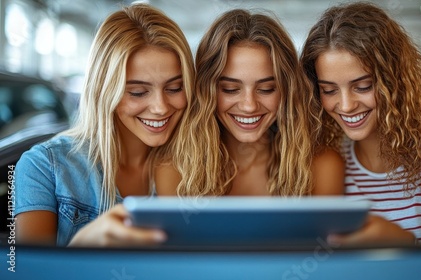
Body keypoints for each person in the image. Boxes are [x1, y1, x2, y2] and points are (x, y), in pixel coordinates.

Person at [300, 2, 421, 244]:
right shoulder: (329, 164)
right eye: (329, 90)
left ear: (395, 81)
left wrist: (405, 245)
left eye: (363, 86)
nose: (346, 105)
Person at [14, 3, 195, 247]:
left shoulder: (196, 165)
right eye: (138, 92)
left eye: (174, 88)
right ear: (104, 91)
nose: (161, 107)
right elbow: (24, 271)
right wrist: (83, 246)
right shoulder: (45, 167)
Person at [156, 9, 344, 196]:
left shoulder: (322, 167)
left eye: (266, 89)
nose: (249, 106)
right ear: (206, 91)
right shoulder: (174, 170)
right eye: (230, 89)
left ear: (287, 91)